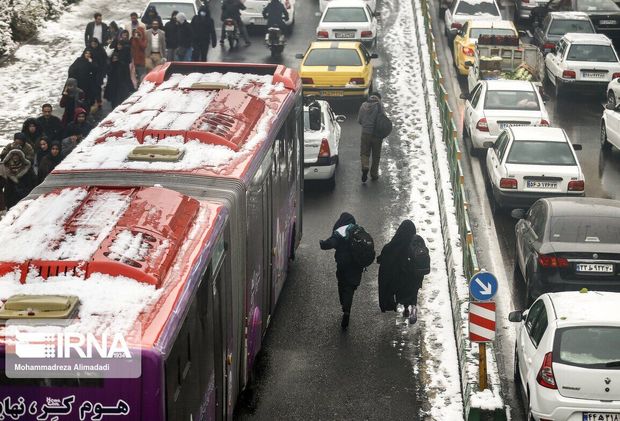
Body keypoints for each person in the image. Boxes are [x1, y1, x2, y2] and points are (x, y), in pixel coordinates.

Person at [319, 212, 365, 330]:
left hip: (343, 264)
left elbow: (332, 243)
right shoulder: (359, 230)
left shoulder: (341, 230)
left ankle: (345, 307)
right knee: (350, 287)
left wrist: (323, 244)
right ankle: (347, 310)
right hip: (357, 265)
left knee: (342, 284)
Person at [377, 220, 427, 324]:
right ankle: (413, 307)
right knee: (413, 293)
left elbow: (386, 255)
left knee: (402, 294)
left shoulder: (396, 242)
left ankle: (406, 309)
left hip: (401, 277)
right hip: (415, 277)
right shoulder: (417, 242)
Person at [357, 92, 384, 182]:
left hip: (365, 133)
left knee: (364, 153)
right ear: (378, 98)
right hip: (377, 135)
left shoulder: (363, 105)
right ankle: (374, 174)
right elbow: (384, 120)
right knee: (376, 155)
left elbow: (359, 120)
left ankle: (365, 166)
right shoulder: (379, 106)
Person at [88, 38, 108, 109]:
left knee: (98, 87)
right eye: (92, 44)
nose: (93, 45)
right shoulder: (88, 50)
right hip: (91, 72)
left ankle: (99, 101)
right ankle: (92, 101)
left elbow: (105, 61)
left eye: (95, 44)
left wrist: (104, 72)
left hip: (99, 72)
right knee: (91, 87)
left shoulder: (101, 50)